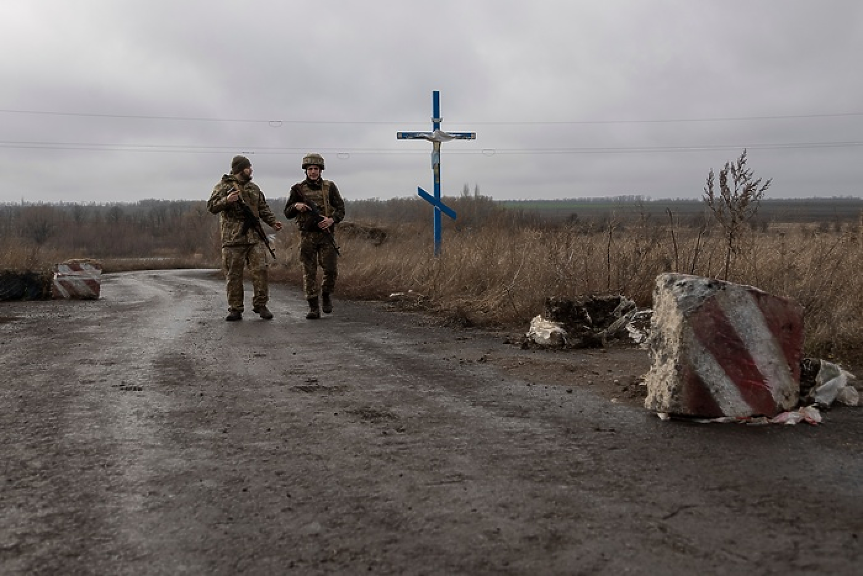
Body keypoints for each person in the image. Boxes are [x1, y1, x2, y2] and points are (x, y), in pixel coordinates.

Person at [208, 155, 283, 321]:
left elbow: (263, 208)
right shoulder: (223, 186)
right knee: (234, 275)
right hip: (233, 239)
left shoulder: (254, 188)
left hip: (254, 238)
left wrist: (272, 222)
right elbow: (211, 206)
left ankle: (261, 305)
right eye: (249, 167)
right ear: (240, 169)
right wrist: (226, 200)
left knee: (261, 271)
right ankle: (235, 309)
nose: (251, 170)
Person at [284, 153, 345, 319]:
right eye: (310, 169)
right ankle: (313, 306)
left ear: (320, 170)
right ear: (306, 170)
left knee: (331, 270)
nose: (313, 172)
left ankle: (326, 295)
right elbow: (287, 212)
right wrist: (297, 206)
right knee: (309, 272)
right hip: (307, 236)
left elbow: (341, 209)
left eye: (316, 169)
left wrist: (331, 220)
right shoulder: (298, 189)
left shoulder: (329, 187)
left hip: (326, 236)